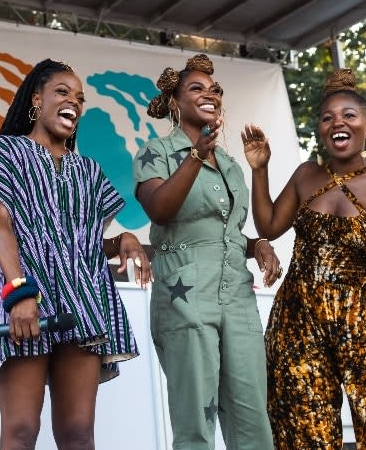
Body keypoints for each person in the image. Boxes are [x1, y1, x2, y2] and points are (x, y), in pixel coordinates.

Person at [0, 59, 152, 450]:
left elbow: (79, 246)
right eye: (62, 92)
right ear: (36, 100)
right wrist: (19, 294)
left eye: (79, 98)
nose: (73, 101)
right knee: (21, 430)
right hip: (22, 297)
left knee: (78, 433)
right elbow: (0, 224)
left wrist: (123, 239)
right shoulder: (5, 151)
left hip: (81, 302)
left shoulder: (88, 171)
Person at [242, 68, 366, 448]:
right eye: (327, 118)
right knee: (302, 427)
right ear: (320, 130)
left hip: (363, 318)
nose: (337, 123)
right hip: (298, 320)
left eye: (348, 115)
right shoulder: (306, 174)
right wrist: (260, 170)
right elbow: (269, 224)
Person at [132, 54, 279, 449]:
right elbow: (161, 209)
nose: (210, 94)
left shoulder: (230, 162)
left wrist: (257, 244)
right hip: (186, 291)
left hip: (236, 294)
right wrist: (195, 155)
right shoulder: (156, 152)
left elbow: (223, 230)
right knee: (195, 417)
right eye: (196, 88)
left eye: (214, 90)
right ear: (175, 104)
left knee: (252, 415)